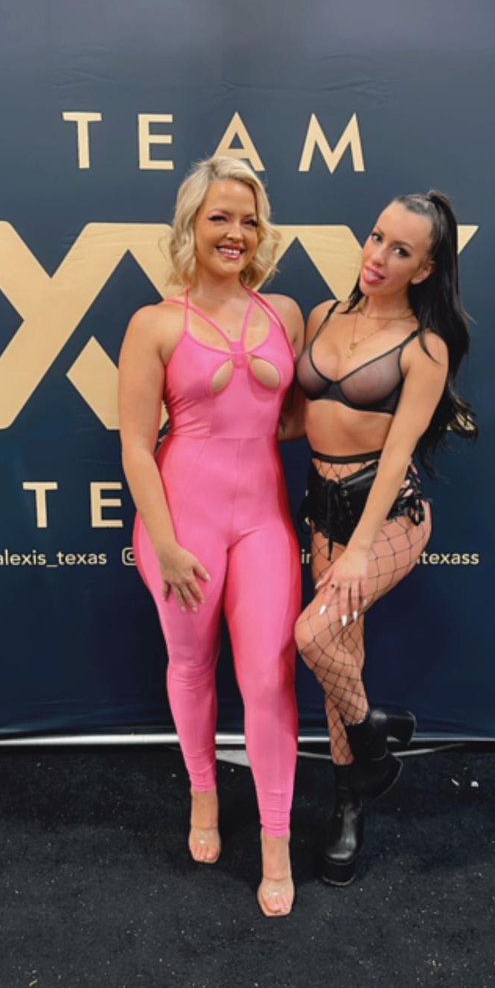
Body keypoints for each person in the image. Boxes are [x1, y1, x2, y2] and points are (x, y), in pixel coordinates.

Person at [118, 156, 304, 917]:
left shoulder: (285, 314)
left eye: (248, 220)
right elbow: (136, 446)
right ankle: (203, 794)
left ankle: (275, 840)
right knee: (192, 665)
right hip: (181, 525)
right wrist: (164, 545)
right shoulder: (154, 324)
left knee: (267, 678)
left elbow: (296, 418)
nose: (235, 233)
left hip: (263, 520)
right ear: (191, 225)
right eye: (219, 217)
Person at [294, 191, 477, 886]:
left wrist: (362, 552)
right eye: (376, 238)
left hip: (387, 517)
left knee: (314, 637)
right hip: (322, 510)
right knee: (342, 655)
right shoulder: (323, 315)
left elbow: (398, 454)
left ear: (424, 269)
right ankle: (352, 799)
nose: (377, 257)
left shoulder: (425, 347)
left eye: (401, 250)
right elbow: (296, 418)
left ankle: (372, 737)